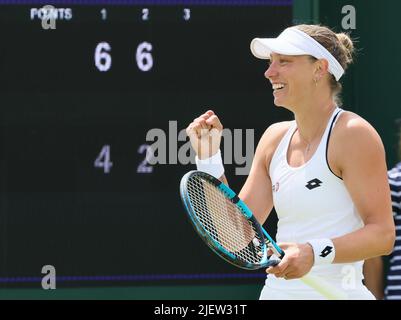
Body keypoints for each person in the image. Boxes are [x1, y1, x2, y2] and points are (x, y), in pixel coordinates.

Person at [185, 24, 395, 300]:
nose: (269, 72)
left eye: (283, 62)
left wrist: (313, 252)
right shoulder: (274, 138)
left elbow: (382, 235)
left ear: (319, 69)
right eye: (271, 62)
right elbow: (236, 236)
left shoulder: (354, 134)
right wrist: (209, 157)